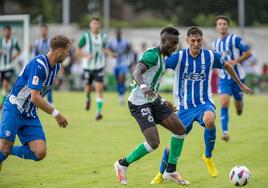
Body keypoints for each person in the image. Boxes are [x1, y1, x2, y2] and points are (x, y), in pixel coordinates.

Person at [150, 26, 252, 184]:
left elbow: (228, 66)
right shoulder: (178, 57)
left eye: (199, 40)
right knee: (172, 145)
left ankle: (208, 156)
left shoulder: (210, 56)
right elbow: (160, 68)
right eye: (193, 41)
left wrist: (239, 84)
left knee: (210, 119)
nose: (196, 44)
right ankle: (161, 173)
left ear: (202, 40)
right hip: (184, 107)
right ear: (187, 41)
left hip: (204, 103)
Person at [114, 26, 189, 185]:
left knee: (180, 130)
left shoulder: (162, 57)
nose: (175, 47)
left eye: (176, 44)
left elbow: (151, 84)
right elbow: (137, 72)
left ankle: (170, 171)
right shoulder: (152, 54)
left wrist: (162, 100)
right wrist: (142, 86)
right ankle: (122, 164)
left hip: (152, 100)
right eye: (172, 43)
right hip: (139, 103)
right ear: (163, 41)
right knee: (154, 143)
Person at [0, 34, 71, 170]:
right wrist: (56, 114)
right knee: (4, 150)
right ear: (59, 50)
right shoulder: (39, 65)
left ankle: (5, 150)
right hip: (14, 108)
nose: (68, 54)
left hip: (30, 114)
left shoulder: (56, 67)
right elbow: (35, 97)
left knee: (40, 152)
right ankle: (4, 149)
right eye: (67, 51)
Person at [212, 15, 252, 142]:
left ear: (227, 26)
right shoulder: (215, 44)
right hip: (224, 78)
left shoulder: (235, 39)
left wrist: (236, 60)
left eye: (224, 23)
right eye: (219, 24)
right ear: (216, 27)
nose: (222, 26)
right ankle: (225, 132)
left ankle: (240, 106)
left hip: (238, 78)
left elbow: (248, 52)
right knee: (223, 102)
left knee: (238, 105)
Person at [77, 17, 110, 120]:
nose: (96, 25)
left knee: (99, 88)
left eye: (97, 23)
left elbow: (104, 49)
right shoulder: (86, 36)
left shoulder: (103, 36)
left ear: (99, 25)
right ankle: (87, 98)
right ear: (90, 25)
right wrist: (86, 55)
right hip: (88, 67)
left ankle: (98, 112)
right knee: (88, 88)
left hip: (99, 66)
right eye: (94, 23)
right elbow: (78, 51)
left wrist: (111, 54)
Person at [0, 25, 21, 109]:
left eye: (8, 31)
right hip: (1, 66)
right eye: (5, 31)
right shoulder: (1, 41)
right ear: (3, 32)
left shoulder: (13, 41)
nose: (7, 32)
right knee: (6, 86)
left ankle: (3, 103)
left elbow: (19, 50)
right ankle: (12, 96)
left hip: (9, 66)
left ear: (10, 32)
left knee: (5, 84)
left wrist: (14, 56)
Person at [34, 24, 54, 106]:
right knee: (39, 83)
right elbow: (35, 55)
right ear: (40, 31)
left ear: (47, 31)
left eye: (45, 30)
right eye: (42, 30)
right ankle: (38, 100)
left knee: (49, 83)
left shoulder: (51, 42)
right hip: (40, 66)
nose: (43, 31)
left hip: (49, 66)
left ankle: (50, 102)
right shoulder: (37, 42)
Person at [108, 28, 129, 105]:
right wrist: (112, 54)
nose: (118, 34)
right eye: (117, 33)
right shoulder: (112, 42)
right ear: (115, 34)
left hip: (123, 62)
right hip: (114, 62)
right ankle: (121, 95)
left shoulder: (125, 41)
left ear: (121, 33)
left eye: (119, 33)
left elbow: (129, 49)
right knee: (118, 81)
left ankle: (122, 95)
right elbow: (108, 50)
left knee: (121, 78)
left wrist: (123, 52)